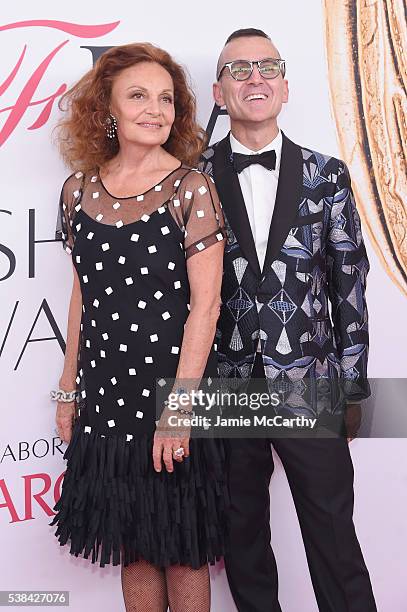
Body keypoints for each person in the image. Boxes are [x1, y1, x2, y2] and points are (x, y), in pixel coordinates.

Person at [199, 28, 377, 611]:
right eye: (239, 69)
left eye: (267, 66)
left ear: (285, 86)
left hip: (310, 385)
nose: (256, 77)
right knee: (241, 536)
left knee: (333, 536)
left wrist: (353, 386)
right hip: (222, 388)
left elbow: (349, 284)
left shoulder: (329, 174)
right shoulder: (189, 179)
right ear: (220, 93)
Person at [49, 42, 228, 612]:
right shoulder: (78, 191)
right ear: (108, 109)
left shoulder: (190, 187)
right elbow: (83, 295)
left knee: (181, 547)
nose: (155, 109)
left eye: (166, 99)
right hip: (105, 398)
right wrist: (68, 388)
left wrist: (180, 409)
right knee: (134, 547)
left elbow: (207, 305)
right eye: (138, 96)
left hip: (171, 394)